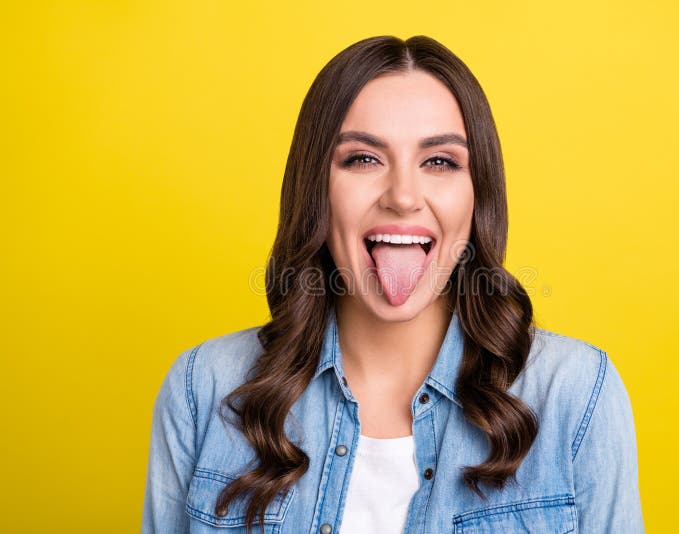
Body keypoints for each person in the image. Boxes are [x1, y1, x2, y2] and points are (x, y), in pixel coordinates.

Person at [142, 35, 644, 534]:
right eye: (363, 158)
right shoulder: (203, 389)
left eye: (440, 161)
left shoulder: (576, 394)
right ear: (315, 187)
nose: (403, 197)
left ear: (478, 196)